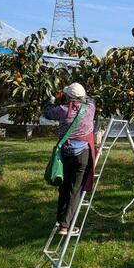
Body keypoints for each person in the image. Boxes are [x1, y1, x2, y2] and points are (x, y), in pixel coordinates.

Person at [44, 83, 97, 235]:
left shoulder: (62, 110)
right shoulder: (90, 108)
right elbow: (90, 99)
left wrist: (52, 100)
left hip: (66, 153)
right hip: (83, 154)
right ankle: (66, 226)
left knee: (64, 187)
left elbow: (47, 113)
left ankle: (61, 220)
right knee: (75, 189)